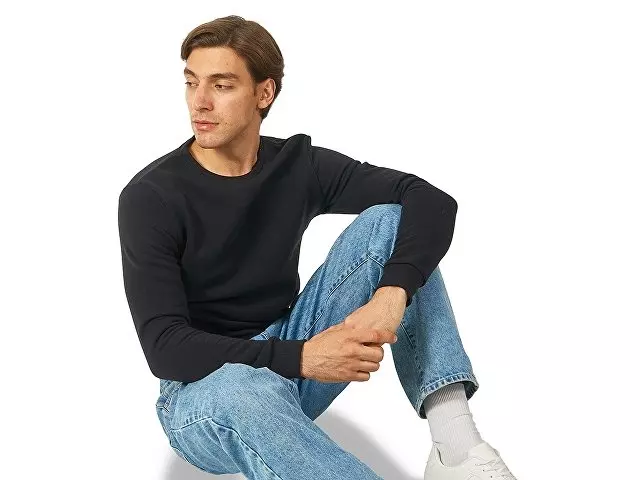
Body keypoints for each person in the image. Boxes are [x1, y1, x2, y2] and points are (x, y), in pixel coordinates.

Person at [117, 15, 517, 480]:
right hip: (201, 392)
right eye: (191, 83)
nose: (199, 102)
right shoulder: (152, 197)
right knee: (241, 387)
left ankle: (456, 450)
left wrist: (393, 294)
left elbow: (431, 201)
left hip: (291, 350)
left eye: (221, 85)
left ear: (264, 93)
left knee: (391, 221)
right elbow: (165, 348)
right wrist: (304, 357)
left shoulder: (296, 166)